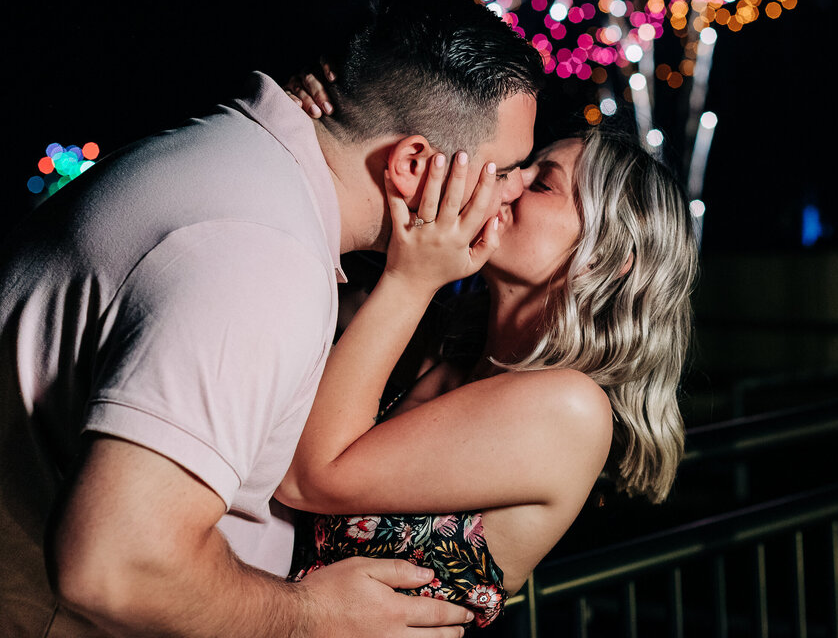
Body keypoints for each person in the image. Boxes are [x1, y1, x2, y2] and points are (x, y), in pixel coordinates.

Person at [0, 0, 542, 637]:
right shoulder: (260, 250)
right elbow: (117, 565)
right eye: (507, 170)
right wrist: (310, 617)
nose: (511, 194)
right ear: (414, 165)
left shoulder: (230, 165)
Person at [271, 101, 700, 627]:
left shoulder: (571, 406)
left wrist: (412, 279)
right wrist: (330, 112)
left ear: (605, 254)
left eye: (542, 183)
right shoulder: (446, 348)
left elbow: (307, 478)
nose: (509, 183)